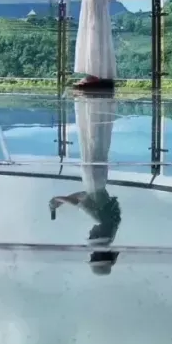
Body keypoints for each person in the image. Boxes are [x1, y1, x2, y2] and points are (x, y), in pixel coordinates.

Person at [48, 92, 122, 275]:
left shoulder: (110, 226)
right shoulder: (101, 230)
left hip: (98, 179)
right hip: (93, 177)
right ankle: (90, 102)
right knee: (91, 140)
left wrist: (64, 199)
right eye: (92, 256)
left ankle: (98, 103)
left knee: (98, 142)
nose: (89, 234)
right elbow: (82, 203)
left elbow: (85, 197)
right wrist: (58, 199)